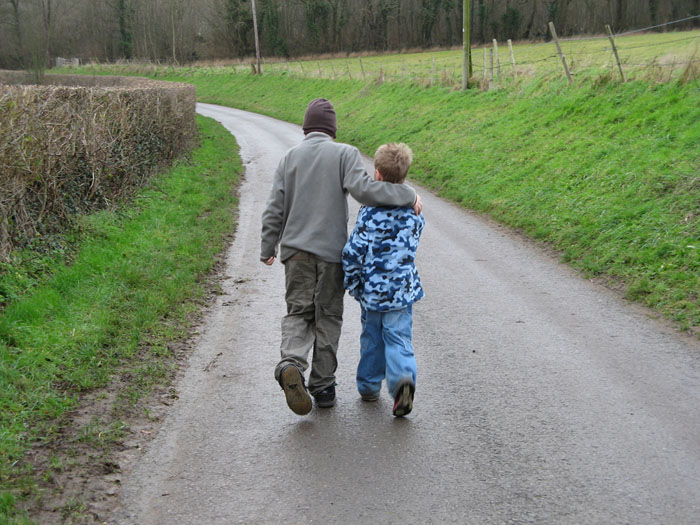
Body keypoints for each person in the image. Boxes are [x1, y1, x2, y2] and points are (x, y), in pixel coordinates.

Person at [260, 98, 422, 416]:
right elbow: (366, 191)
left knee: (298, 315)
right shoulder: (344, 153)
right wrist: (409, 194)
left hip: (296, 256)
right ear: (333, 130)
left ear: (306, 127)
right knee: (328, 319)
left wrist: (268, 247)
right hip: (331, 255)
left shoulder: (289, 159)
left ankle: (290, 364)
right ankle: (323, 388)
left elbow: (273, 208)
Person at [341, 143, 425, 417]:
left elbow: (353, 253)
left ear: (376, 175)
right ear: (405, 176)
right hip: (401, 291)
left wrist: (353, 284)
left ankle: (368, 386)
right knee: (399, 338)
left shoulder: (368, 214)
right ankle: (403, 381)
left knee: (372, 340)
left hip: (373, 292)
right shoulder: (414, 215)